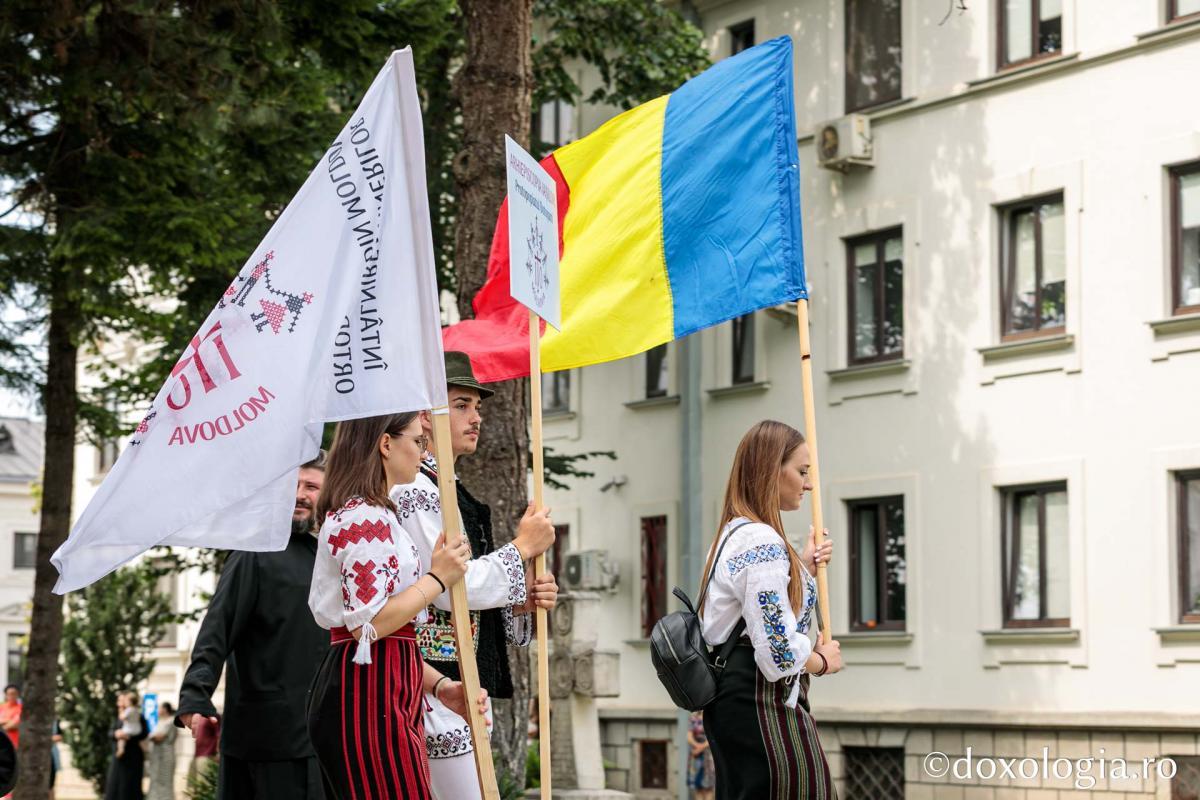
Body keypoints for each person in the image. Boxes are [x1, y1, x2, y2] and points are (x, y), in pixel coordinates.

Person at [391, 352, 558, 799]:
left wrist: (518, 601)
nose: (476, 417)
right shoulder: (414, 489)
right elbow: (450, 587)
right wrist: (522, 548)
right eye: (462, 404)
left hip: (452, 682)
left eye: (478, 407)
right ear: (426, 417)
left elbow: (460, 592)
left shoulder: (444, 487)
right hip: (428, 681)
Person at [307, 412, 480, 800]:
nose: (423, 451)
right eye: (418, 441)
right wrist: (437, 578)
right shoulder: (363, 517)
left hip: (385, 684)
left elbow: (389, 634)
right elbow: (368, 625)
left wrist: (439, 685)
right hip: (365, 695)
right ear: (386, 444)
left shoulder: (379, 515)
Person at [699, 420, 842, 800]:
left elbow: (760, 613)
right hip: (761, 703)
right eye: (802, 471)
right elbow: (777, 652)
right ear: (770, 469)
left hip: (738, 702)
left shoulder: (734, 533)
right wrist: (821, 660)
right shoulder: (759, 540)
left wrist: (803, 569)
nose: (808, 484)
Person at [176, 457, 330, 799]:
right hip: (263, 740)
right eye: (292, 486)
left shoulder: (332, 557)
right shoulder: (253, 552)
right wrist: (194, 696)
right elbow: (218, 627)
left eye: (311, 487)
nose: (300, 495)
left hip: (320, 740)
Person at [105, 691, 149, 800]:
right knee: (114, 785)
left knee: (130, 787)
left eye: (121, 700)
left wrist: (128, 737)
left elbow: (144, 733)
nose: (119, 703)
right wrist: (116, 734)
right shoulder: (119, 716)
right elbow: (110, 732)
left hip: (133, 757)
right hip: (119, 757)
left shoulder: (138, 715)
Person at [148, 701, 178, 800]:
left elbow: (159, 737)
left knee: (165, 782)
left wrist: (150, 737)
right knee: (155, 781)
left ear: (165, 709)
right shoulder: (160, 722)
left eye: (159, 708)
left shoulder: (171, 721)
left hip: (166, 757)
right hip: (157, 757)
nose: (157, 710)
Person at [686, 711, 714, 800]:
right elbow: (689, 736)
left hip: (709, 756)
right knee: (698, 787)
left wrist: (700, 748)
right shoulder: (694, 717)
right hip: (696, 756)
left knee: (708, 787)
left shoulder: (712, 716)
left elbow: (713, 737)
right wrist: (697, 746)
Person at [115, 691, 144, 759]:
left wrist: (121, 711)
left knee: (121, 739)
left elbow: (122, 717)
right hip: (137, 729)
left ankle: (121, 749)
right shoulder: (137, 710)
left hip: (129, 729)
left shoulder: (129, 710)